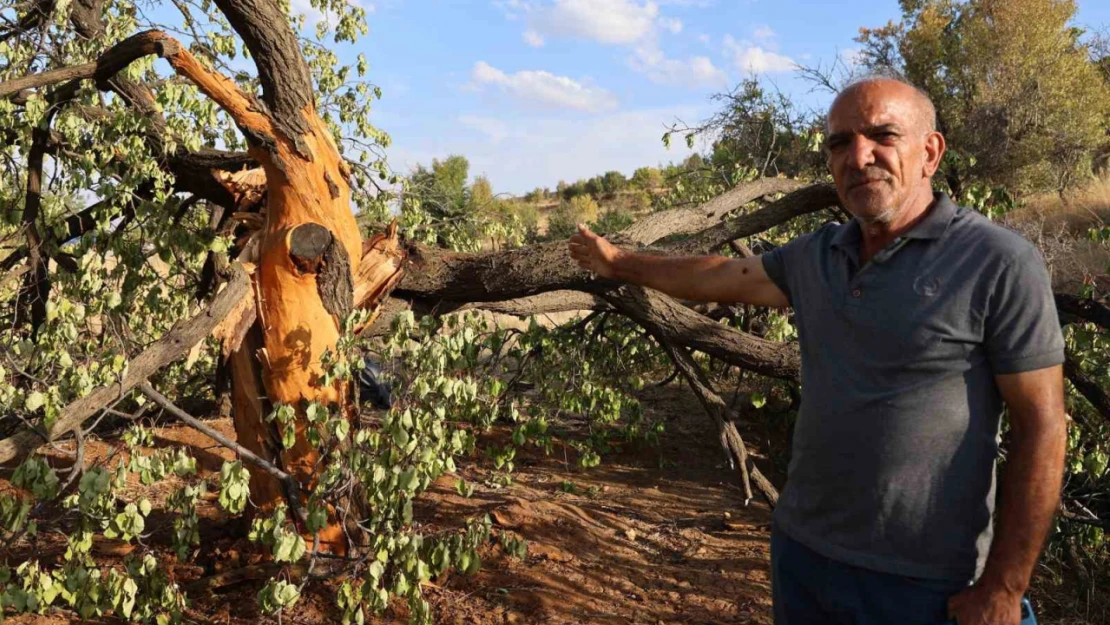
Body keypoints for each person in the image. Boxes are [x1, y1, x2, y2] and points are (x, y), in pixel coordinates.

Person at [567, 76, 1066, 625]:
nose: (859, 156)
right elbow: (722, 275)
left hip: (930, 582)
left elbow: (1041, 426)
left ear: (930, 151)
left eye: (883, 135)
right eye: (839, 142)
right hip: (805, 555)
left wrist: (1004, 585)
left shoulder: (997, 262)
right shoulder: (819, 255)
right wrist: (618, 263)